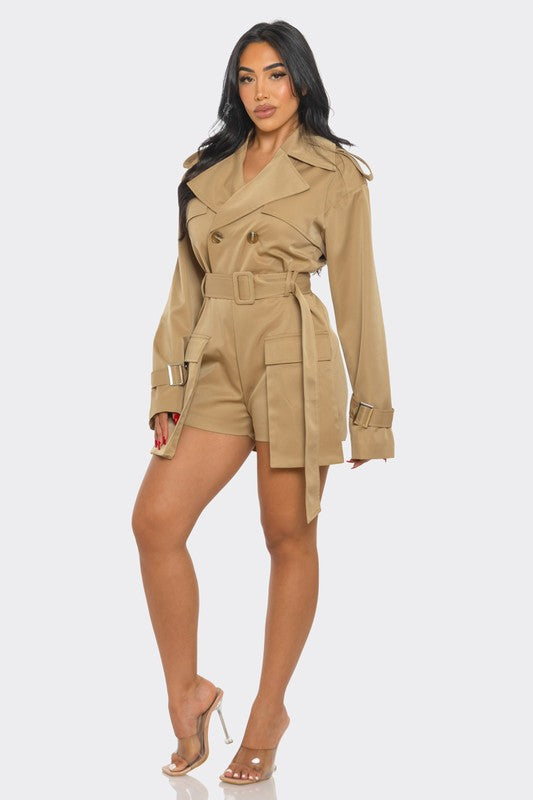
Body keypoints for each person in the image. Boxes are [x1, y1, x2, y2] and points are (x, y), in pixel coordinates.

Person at [131, 19, 395, 786]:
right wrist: (167, 385)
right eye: (246, 78)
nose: (260, 92)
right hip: (214, 356)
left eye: (275, 75)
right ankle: (186, 692)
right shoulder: (206, 168)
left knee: (286, 536)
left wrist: (370, 415)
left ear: (301, 81)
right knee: (155, 522)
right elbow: (184, 285)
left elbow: (358, 296)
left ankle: (268, 713)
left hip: (292, 356)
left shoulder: (334, 173)